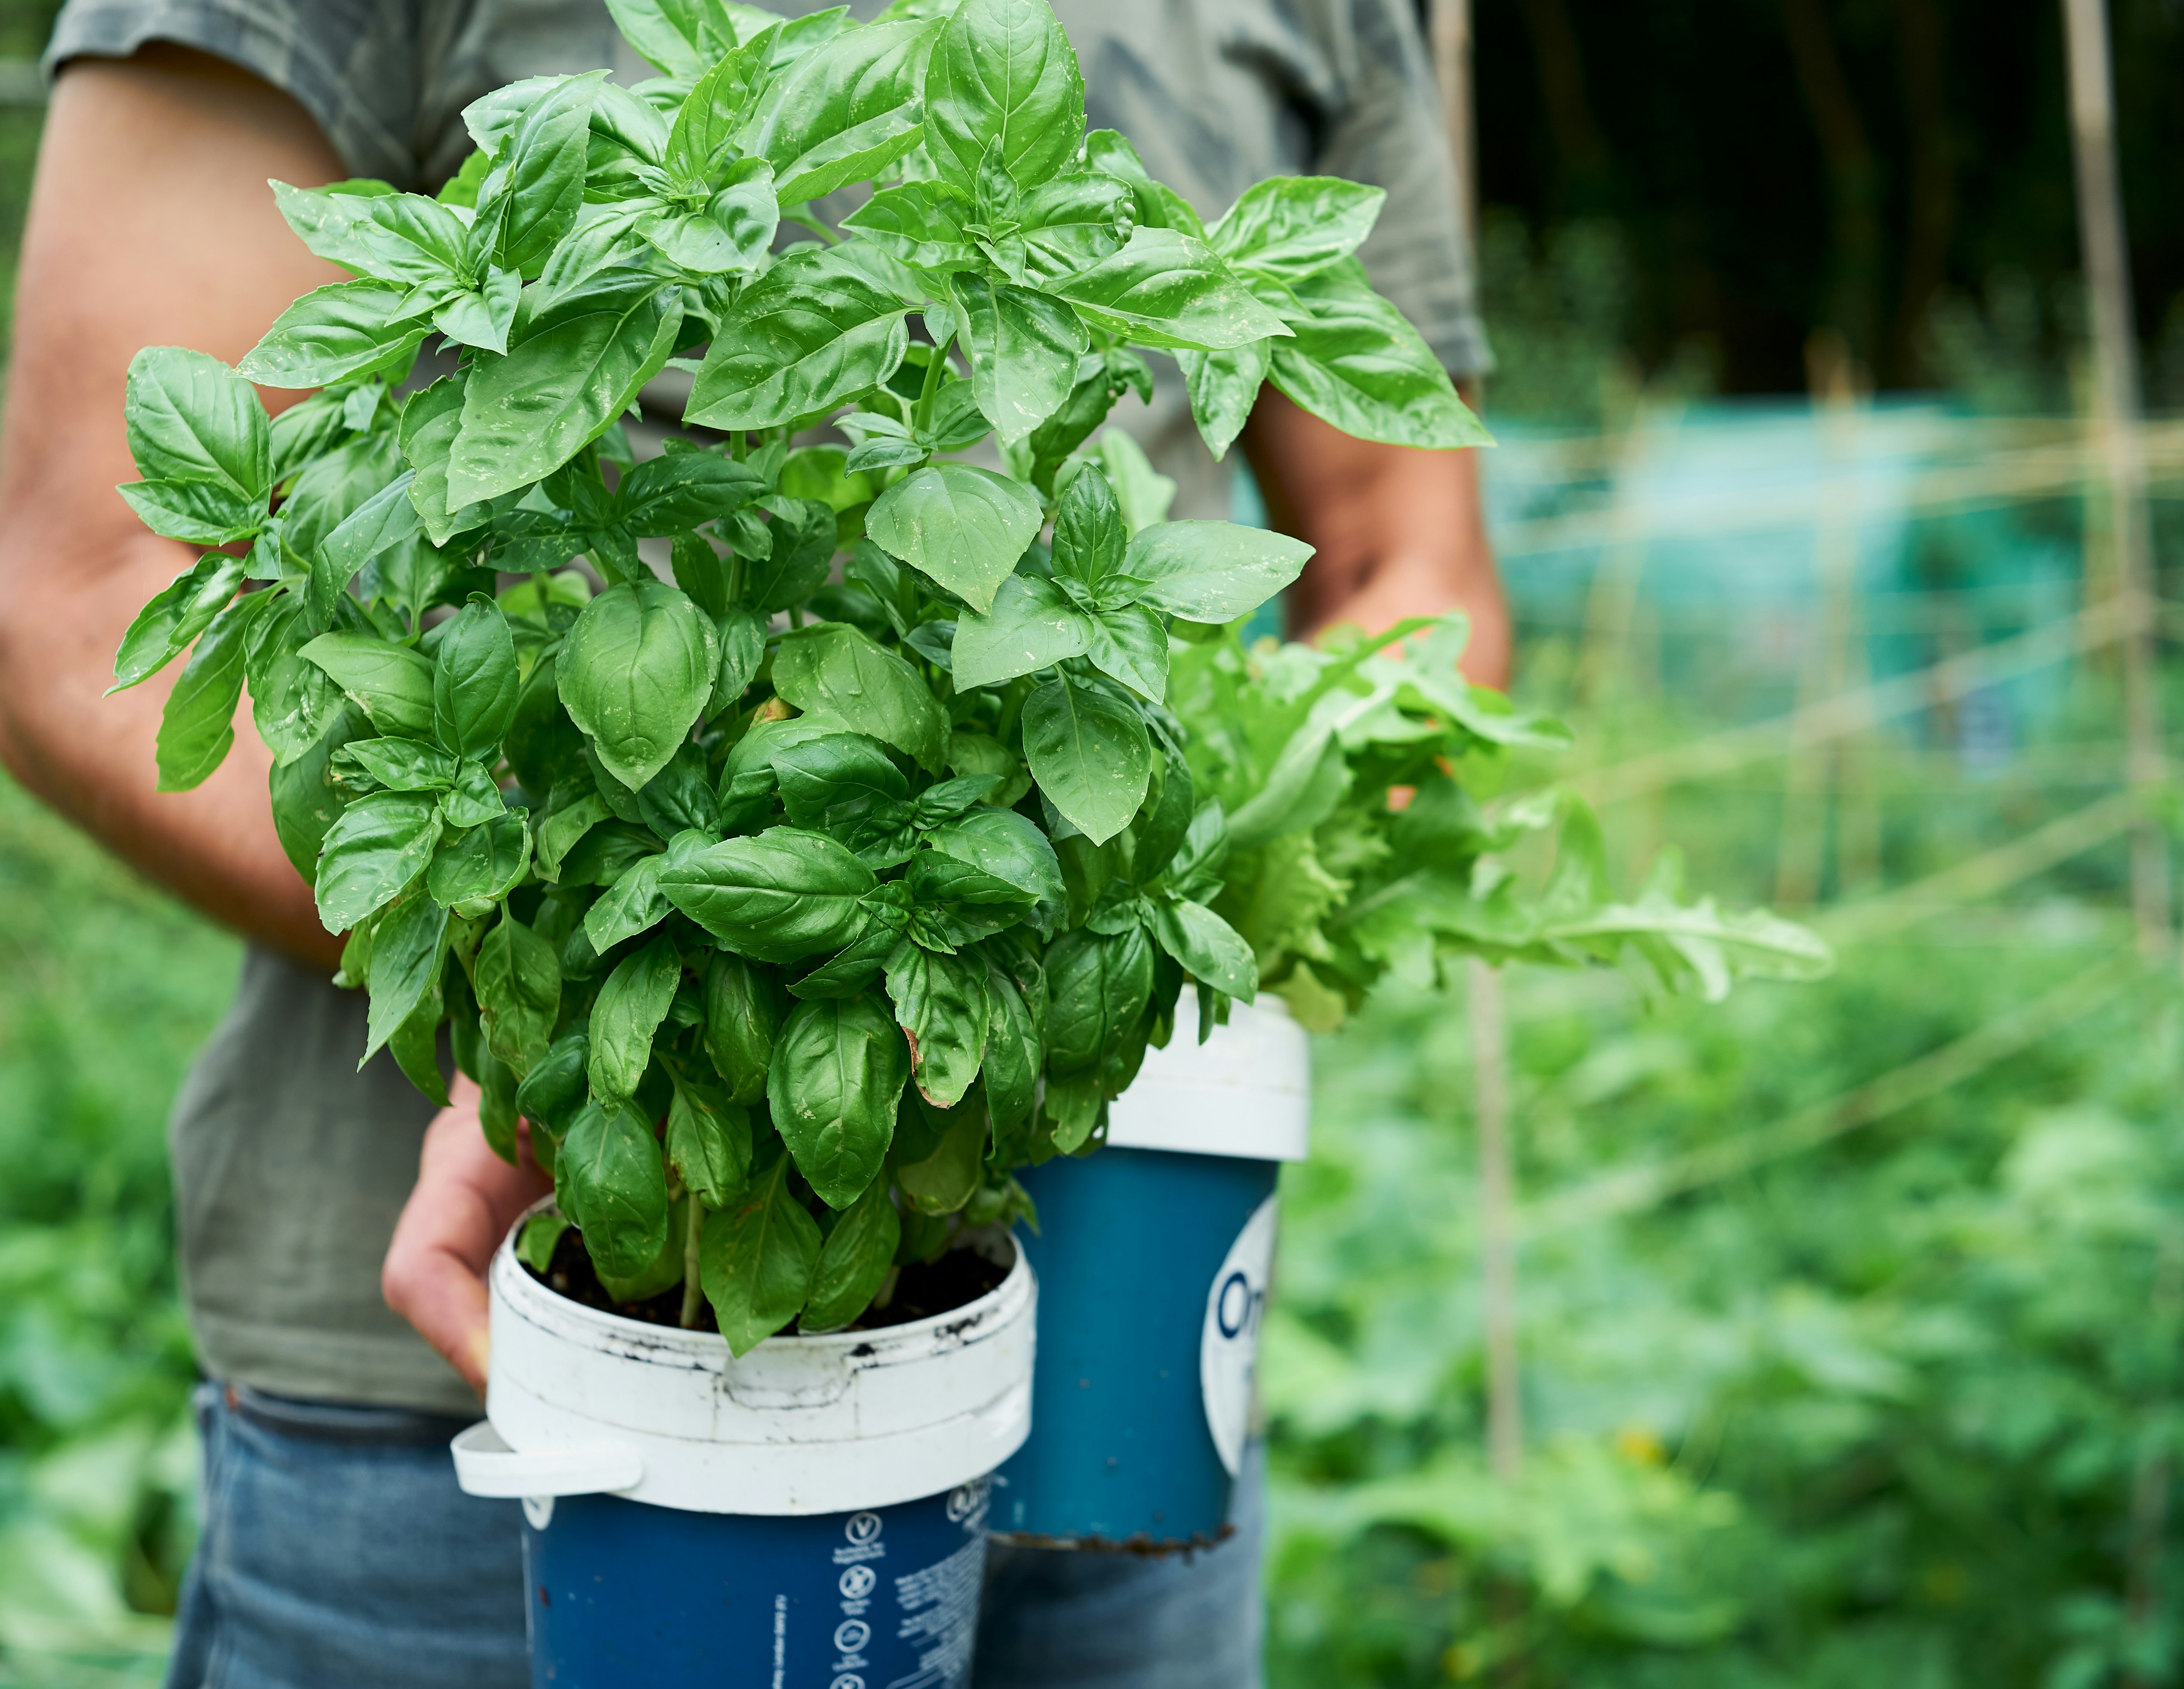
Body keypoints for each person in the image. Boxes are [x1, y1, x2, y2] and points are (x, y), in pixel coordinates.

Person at [0, 0, 1507, 1683]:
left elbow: (1404, 568)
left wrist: (1129, 932)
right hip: (477, 1417)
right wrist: (554, 1007)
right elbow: (91, 586)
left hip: (1115, 1354)